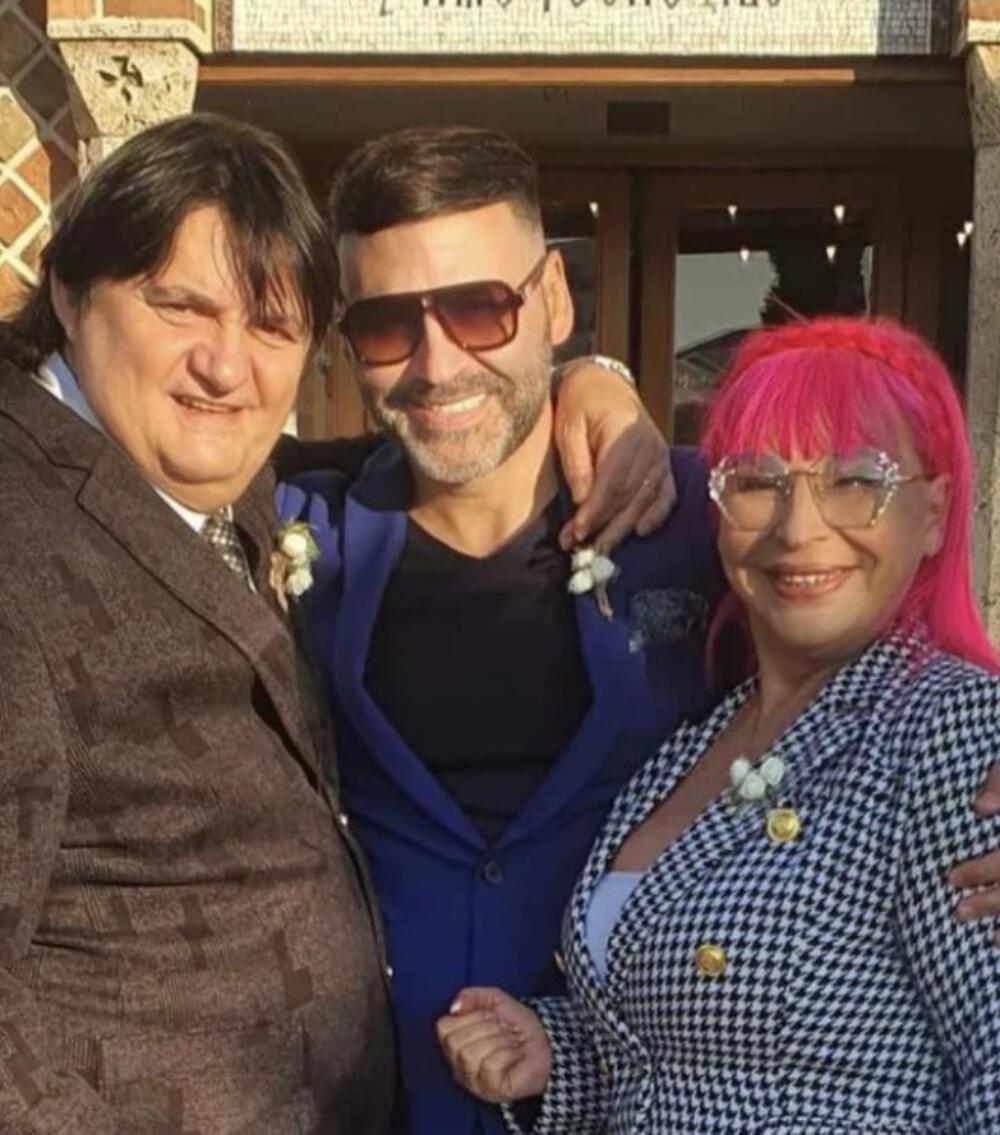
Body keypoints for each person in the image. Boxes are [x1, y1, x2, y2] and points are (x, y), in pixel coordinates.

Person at [439, 317, 1000, 1133]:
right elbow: (693, 1058)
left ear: (937, 513)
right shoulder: (695, 739)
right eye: (758, 482)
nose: (798, 527)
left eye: (855, 480)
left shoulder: (952, 733)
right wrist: (558, 1054)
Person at [277, 125, 727, 1135]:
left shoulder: (700, 521)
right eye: (387, 325)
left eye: (481, 308)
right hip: (380, 1104)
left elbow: (884, 653)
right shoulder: (301, 533)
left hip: (643, 1098)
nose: (438, 365)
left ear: (553, 300)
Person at [0, 113, 400, 1135]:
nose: (227, 367)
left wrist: (592, 393)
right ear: (70, 293)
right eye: (180, 307)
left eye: (272, 328)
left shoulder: (198, 471)